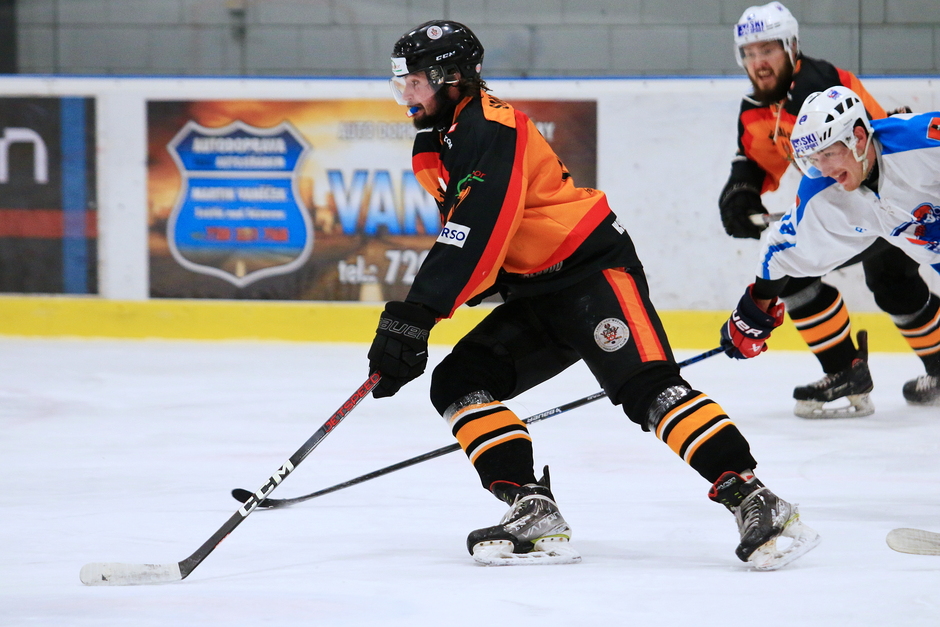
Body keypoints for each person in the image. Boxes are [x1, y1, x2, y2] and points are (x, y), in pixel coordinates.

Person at [367, 19, 820, 570]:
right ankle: (530, 506)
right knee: (459, 383)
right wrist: (423, 315)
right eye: (402, 83)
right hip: (536, 292)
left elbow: (478, 229)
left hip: (592, 274)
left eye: (415, 82)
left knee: (650, 391)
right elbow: (477, 239)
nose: (406, 95)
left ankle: (754, 498)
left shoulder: (491, 128)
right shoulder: (437, 139)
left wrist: (417, 315)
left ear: (452, 78)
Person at [718, 1, 929, 418]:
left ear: (791, 47)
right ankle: (869, 369)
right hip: (851, 204)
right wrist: (741, 192)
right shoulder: (757, 106)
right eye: (750, 53)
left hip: (884, 198)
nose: (759, 62)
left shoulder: (817, 87)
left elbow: (861, 157)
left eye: (767, 50)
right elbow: (757, 159)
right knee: (891, 285)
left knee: (804, 273)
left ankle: (845, 370)